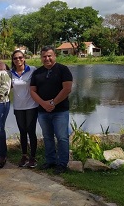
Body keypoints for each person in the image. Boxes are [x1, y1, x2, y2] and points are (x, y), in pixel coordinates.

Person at [30, 45, 73, 174]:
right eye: (44, 56)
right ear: (41, 58)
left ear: (55, 56)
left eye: (49, 56)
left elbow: (67, 89)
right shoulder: (37, 72)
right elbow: (32, 91)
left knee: (62, 137)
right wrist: (43, 104)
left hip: (60, 111)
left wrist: (53, 103)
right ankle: (50, 161)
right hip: (43, 111)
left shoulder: (63, 70)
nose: (47, 58)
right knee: (47, 137)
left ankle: (62, 163)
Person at [10, 50, 39, 168]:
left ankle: (33, 157)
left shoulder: (32, 70)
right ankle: (24, 155)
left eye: (20, 57)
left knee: (31, 131)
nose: (18, 60)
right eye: (15, 58)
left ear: (24, 58)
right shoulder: (10, 73)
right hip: (18, 107)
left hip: (31, 105)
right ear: (13, 60)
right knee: (22, 131)